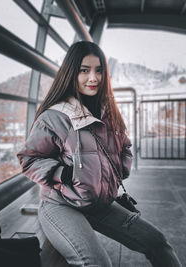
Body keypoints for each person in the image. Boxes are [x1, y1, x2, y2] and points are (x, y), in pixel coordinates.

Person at [17, 41, 182, 267]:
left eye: (99, 70)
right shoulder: (54, 117)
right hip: (61, 205)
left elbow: (125, 146)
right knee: (96, 262)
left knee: (158, 242)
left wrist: (119, 170)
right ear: (71, 73)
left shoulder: (109, 112)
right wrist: (63, 174)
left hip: (100, 203)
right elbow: (29, 159)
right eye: (84, 70)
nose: (93, 78)